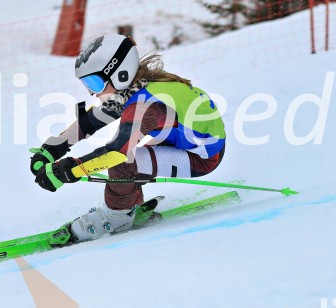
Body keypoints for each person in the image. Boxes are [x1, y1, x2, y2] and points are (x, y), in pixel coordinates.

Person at [30, 34, 226, 245]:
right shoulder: (137, 86)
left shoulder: (145, 106)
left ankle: (117, 218)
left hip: (202, 156)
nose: (92, 93)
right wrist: (51, 149)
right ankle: (128, 202)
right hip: (183, 140)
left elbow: (115, 153)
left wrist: (67, 171)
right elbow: (91, 122)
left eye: (95, 83)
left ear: (120, 74)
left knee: (124, 163)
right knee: (129, 153)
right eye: (87, 84)